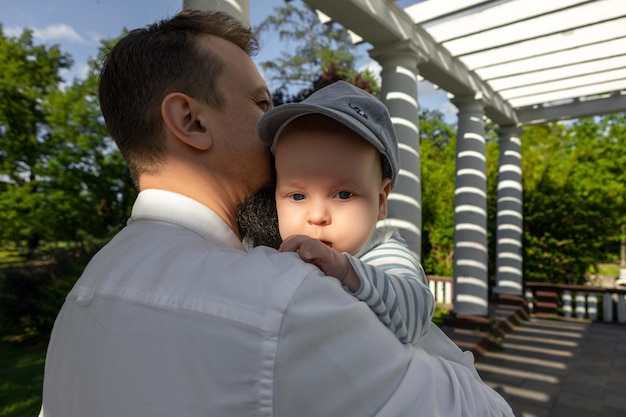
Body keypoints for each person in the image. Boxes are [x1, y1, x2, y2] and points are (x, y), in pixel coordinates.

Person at [40, 9, 514, 417]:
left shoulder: (83, 296)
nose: (275, 142)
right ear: (191, 120)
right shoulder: (285, 296)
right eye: (261, 103)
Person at [255, 80, 435, 345]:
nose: (317, 216)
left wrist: (344, 270)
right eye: (297, 196)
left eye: (343, 194)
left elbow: (414, 312)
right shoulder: (273, 251)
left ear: (381, 200)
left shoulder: (383, 255)